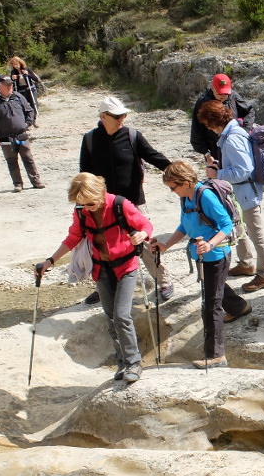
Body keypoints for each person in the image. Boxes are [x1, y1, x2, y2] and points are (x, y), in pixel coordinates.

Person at [36, 173, 152, 383]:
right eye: (82, 205)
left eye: (90, 204)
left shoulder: (119, 204)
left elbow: (145, 225)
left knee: (121, 315)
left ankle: (134, 363)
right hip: (101, 269)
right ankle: (122, 362)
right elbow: (73, 237)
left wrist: (142, 235)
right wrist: (49, 261)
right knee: (110, 318)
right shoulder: (81, 211)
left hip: (126, 267)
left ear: (100, 193)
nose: (87, 208)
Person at [151, 160, 250, 369]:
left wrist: (210, 244)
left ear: (185, 181)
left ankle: (216, 355)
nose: (172, 191)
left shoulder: (205, 195)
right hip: (202, 256)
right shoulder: (186, 197)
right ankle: (240, 307)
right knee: (215, 288)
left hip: (216, 255)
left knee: (210, 305)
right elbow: (184, 225)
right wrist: (166, 246)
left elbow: (226, 223)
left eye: (173, 187)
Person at [80, 96, 172, 305]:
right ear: (103, 116)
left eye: (124, 114)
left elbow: (152, 156)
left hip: (132, 202)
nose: (122, 118)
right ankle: (104, 286)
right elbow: (84, 174)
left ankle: (164, 281)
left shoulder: (132, 136)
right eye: (117, 116)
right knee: (103, 245)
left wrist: (173, 169)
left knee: (145, 242)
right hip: (102, 205)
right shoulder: (90, 140)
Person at [195, 100, 264, 293]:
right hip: (240, 194)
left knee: (256, 234)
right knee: (239, 230)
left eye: (207, 124)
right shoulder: (232, 134)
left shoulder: (232, 138)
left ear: (213, 121)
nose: (208, 128)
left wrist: (217, 174)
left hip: (246, 193)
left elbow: (244, 170)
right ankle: (247, 264)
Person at [0, 76, 44, 192]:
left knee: (28, 158)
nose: (10, 87)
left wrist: (27, 124)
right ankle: (18, 184)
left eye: (10, 84)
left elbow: (29, 110)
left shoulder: (17, 96)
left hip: (21, 134)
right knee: (11, 161)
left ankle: (36, 181)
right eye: (7, 85)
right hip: (5, 137)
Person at [190, 73, 255, 164]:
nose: (223, 96)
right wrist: (206, 153)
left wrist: (244, 130)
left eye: (226, 93)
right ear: (212, 87)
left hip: (235, 142)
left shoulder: (233, 96)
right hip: (215, 148)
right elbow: (196, 131)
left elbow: (249, 111)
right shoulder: (203, 102)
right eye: (220, 92)